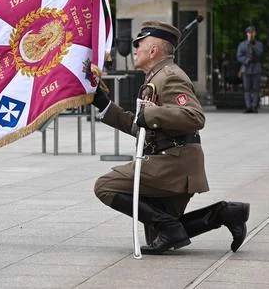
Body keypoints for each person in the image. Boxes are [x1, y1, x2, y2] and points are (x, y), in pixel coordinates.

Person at [92, 21, 249, 255]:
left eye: (139, 44)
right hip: (168, 161)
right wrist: (102, 103)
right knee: (164, 234)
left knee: (105, 186)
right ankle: (225, 214)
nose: (135, 49)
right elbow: (139, 126)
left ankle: (171, 225)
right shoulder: (155, 77)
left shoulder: (170, 76)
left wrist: (151, 113)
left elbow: (195, 116)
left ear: (153, 50)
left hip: (173, 164)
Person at [237, 26, 264, 114]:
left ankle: (254, 106)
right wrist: (245, 60)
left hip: (256, 68)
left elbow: (260, 54)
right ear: (247, 34)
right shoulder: (242, 44)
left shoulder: (258, 44)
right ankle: (248, 106)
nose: (251, 34)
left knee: (256, 89)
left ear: (255, 33)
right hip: (246, 68)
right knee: (247, 89)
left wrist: (253, 46)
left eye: (252, 32)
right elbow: (239, 56)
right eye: (249, 32)